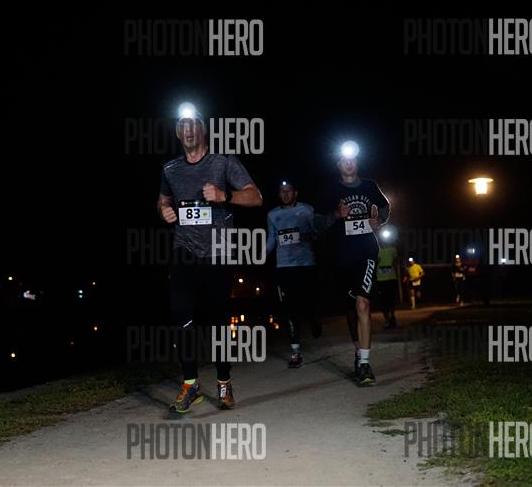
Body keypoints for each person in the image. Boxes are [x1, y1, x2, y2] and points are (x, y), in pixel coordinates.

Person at [158, 104, 263, 413]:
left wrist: (224, 195)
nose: (188, 130)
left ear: (203, 129)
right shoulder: (170, 169)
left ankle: (223, 381)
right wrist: (164, 210)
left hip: (218, 250)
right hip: (184, 250)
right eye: (183, 125)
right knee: (181, 312)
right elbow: (163, 199)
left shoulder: (223, 162)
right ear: (178, 132)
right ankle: (190, 383)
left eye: (194, 124)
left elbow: (256, 196)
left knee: (217, 319)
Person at [316, 141, 390, 385]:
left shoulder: (369, 186)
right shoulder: (330, 190)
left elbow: (385, 208)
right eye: (344, 160)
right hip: (341, 257)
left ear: (357, 163)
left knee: (363, 304)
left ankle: (366, 364)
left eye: (353, 159)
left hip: (367, 252)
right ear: (338, 164)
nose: (349, 163)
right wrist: (336, 215)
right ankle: (359, 353)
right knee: (351, 309)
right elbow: (317, 223)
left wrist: (379, 220)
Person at [266, 180, 320, 369]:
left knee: (309, 302)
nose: (285, 194)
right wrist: (260, 255)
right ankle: (296, 352)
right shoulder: (272, 215)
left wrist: (309, 236)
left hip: (306, 264)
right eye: (282, 192)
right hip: (284, 267)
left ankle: (314, 318)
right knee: (289, 309)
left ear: (295, 193)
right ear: (278, 194)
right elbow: (271, 240)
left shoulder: (307, 210)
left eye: (288, 191)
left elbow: (318, 233)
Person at [376, 239, 399, 329]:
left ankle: (392, 316)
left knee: (392, 299)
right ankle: (387, 319)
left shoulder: (392, 250)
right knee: (382, 301)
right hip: (380, 279)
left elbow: (395, 262)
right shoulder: (376, 251)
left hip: (391, 278)